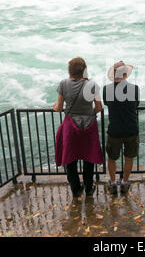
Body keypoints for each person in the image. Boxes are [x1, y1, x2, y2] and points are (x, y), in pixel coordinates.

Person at [53, 57, 104, 197]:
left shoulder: (63, 84)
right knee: (89, 157)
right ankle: (88, 187)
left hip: (71, 125)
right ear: (84, 70)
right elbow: (99, 108)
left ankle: (75, 189)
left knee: (70, 158)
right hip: (88, 125)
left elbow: (58, 108)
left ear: (70, 71)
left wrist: (55, 107)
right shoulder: (92, 85)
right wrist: (88, 113)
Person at [103, 61, 140, 194]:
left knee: (112, 158)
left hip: (114, 130)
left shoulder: (107, 89)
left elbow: (107, 103)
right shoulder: (134, 88)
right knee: (129, 157)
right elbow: (136, 105)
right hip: (131, 128)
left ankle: (113, 183)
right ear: (125, 74)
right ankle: (124, 182)